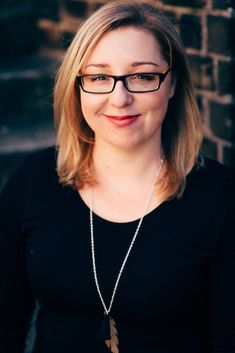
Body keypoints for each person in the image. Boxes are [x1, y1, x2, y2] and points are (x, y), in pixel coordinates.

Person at [0, 1, 234, 352]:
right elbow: (5, 323)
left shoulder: (223, 198)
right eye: (98, 77)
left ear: (171, 85)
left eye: (142, 76)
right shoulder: (33, 181)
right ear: (77, 87)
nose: (119, 97)